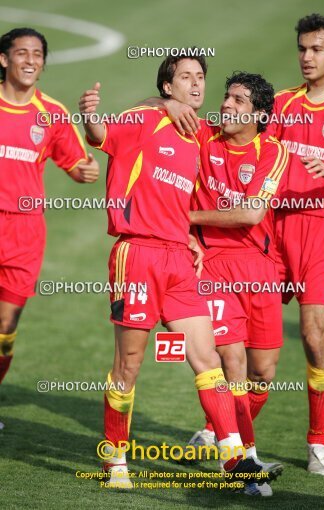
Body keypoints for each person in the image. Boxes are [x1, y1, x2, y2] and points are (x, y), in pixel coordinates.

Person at [79, 53, 278, 489]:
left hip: (180, 261)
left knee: (208, 359)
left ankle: (232, 458)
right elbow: (100, 134)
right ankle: (114, 460)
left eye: (200, 77)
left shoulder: (202, 134)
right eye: (185, 77)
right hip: (137, 256)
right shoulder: (145, 117)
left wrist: (187, 234)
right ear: (168, 86)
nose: (196, 84)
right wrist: (92, 115)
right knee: (128, 364)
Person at [139, 71, 287, 496]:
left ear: (258, 114)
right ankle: (246, 464)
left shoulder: (272, 151)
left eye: (238, 101)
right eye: (225, 97)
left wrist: (183, 218)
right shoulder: (204, 136)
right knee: (233, 362)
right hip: (213, 266)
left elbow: (251, 215)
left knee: (263, 373)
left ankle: (216, 431)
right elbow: (146, 112)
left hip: (259, 270)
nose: (225, 105)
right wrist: (167, 103)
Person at [0, 27, 100, 409]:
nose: (30, 60)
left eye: (37, 54)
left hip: (24, 233)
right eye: (21, 52)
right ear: (4, 59)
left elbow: (77, 165)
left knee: (6, 330)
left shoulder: (52, 114)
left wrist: (87, 170)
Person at [266, 13, 324, 475]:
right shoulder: (279, 103)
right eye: (302, 48)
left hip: (322, 232)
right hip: (272, 232)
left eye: (316, 49)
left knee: (314, 338)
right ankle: (226, 433)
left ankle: (319, 440)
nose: (306, 57)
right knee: (252, 342)